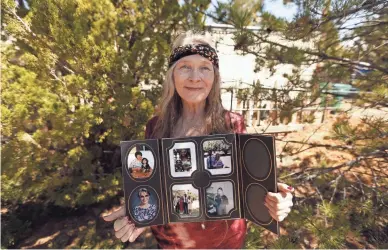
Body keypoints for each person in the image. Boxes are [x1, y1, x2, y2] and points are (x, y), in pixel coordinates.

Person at [103, 31, 294, 248]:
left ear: (214, 77)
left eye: (204, 67)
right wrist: (140, 211)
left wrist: (274, 198)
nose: (195, 77)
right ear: (172, 75)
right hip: (173, 243)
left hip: (226, 242)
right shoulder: (155, 126)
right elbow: (152, 184)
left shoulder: (233, 124)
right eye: (185, 67)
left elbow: (247, 181)